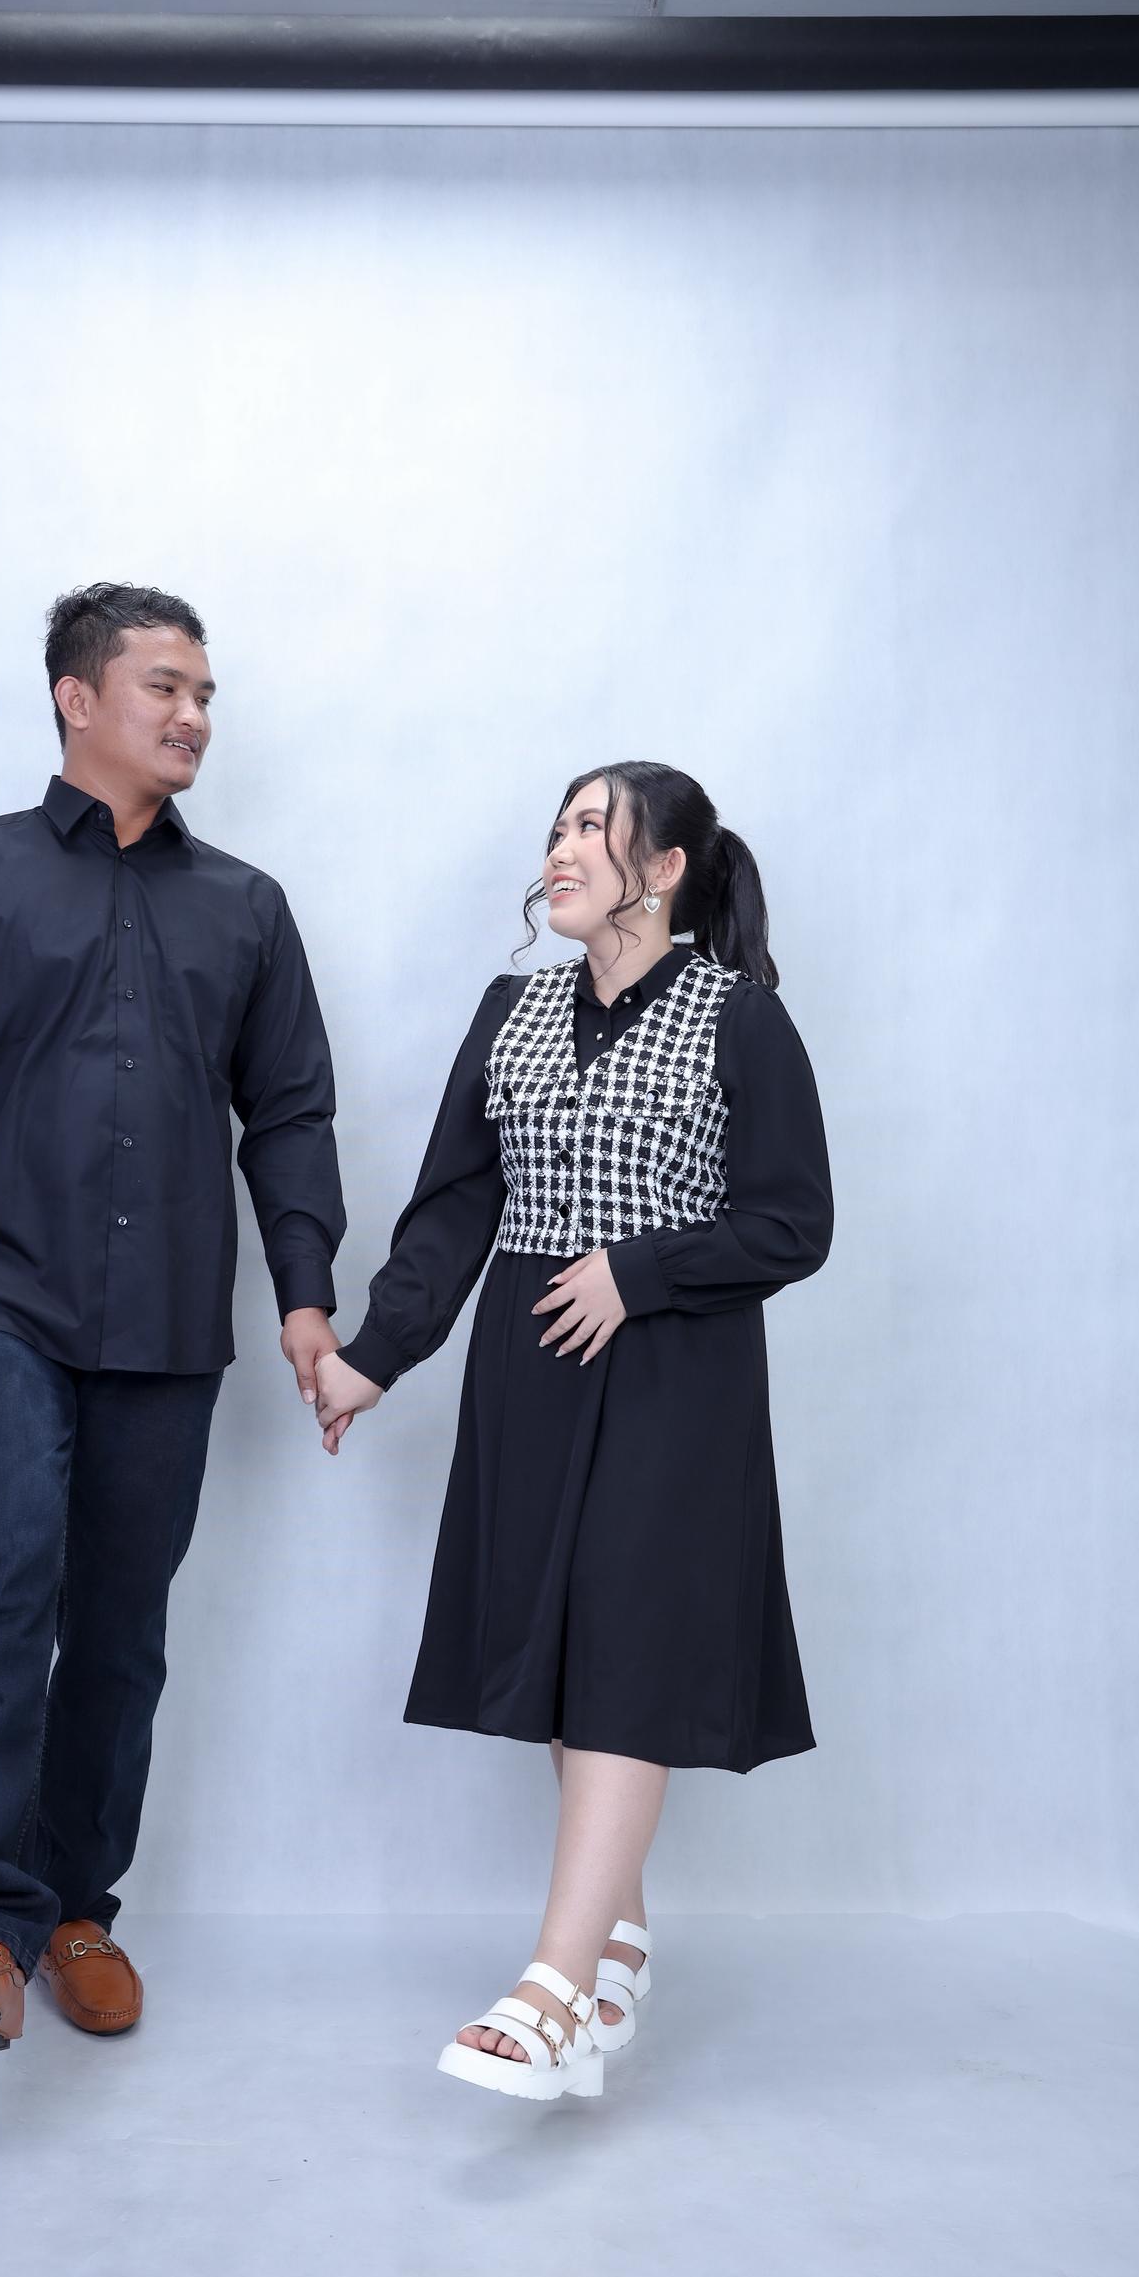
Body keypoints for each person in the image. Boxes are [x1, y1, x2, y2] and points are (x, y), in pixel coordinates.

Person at [0, 581, 344, 2055]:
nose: (193, 717)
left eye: (204, 696)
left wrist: (306, 1300)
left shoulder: (246, 907)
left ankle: (74, 1912)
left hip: (168, 1314)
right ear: (77, 697)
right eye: (163, 688)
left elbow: (290, 1114)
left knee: (121, 1627)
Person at [315, 762, 832, 2103]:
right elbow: (454, 1208)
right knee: (567, 1651)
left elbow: (793, 1222)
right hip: (530, 1369)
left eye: (592, 828)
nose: (560, 848)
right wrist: (373, 1358)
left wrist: (637, 1273)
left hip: (675, 1379)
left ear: (662, 870)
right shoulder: (513, 1010)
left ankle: (551, 1987)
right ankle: (618, 1935)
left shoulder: (740, 1017)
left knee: (626, 1652)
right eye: (556, 827)